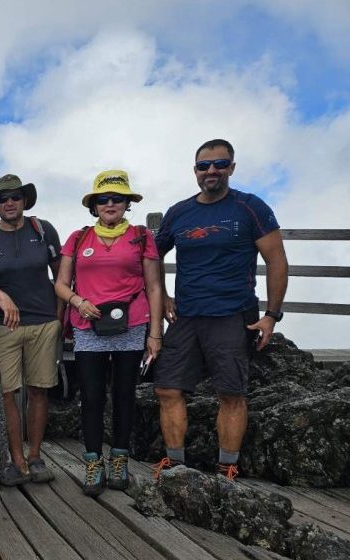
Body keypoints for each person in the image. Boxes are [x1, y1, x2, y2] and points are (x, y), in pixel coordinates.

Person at [153, 138, 288, 481]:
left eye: (220, 164)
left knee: (230, 392)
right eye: (204, 165)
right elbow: (152, 256)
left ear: (232, 167)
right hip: (185, 316)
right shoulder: (179, 213)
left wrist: (272, 315)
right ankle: (175, 464)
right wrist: (164, 296)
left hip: (231, 313)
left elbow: (276, 260)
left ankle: (227, 465)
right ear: (195, 171)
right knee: (167, 388)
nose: (211, 171)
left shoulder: (249, 207)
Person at [54, 170, 162, 496]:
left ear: (127, 203)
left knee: (125, 394)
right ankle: (92, 461)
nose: (110, 204)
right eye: (103, 199)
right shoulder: (79, 237)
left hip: (132, 323)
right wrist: (77, 301)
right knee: (91, 396)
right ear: (94, 205)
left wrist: (155, 335)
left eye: (117, 198)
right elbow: (60, 284)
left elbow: (154, 286)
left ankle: (119, 459)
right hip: (88, 326)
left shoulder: (141, 236)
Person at [0, 174, 63, 486]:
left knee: (39, 390)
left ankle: (36, 456)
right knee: (7, 393)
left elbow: (61, 276)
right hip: (3, 326)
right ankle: (16, 460)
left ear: (24, 201)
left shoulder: (43, 230)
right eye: (3, 199)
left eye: (15, 197)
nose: (9, 203)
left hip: (44, 322)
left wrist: (60, 318)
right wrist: (0, 296)